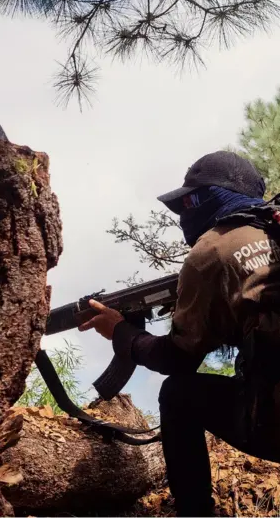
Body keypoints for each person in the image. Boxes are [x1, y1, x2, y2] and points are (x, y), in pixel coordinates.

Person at [78, 151, 280, 517]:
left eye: (188, 202)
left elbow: (176, 358)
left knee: (178, 394)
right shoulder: (273, 230)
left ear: (207, 199)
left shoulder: (213, 250)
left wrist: (121, 332)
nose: (183, 215)